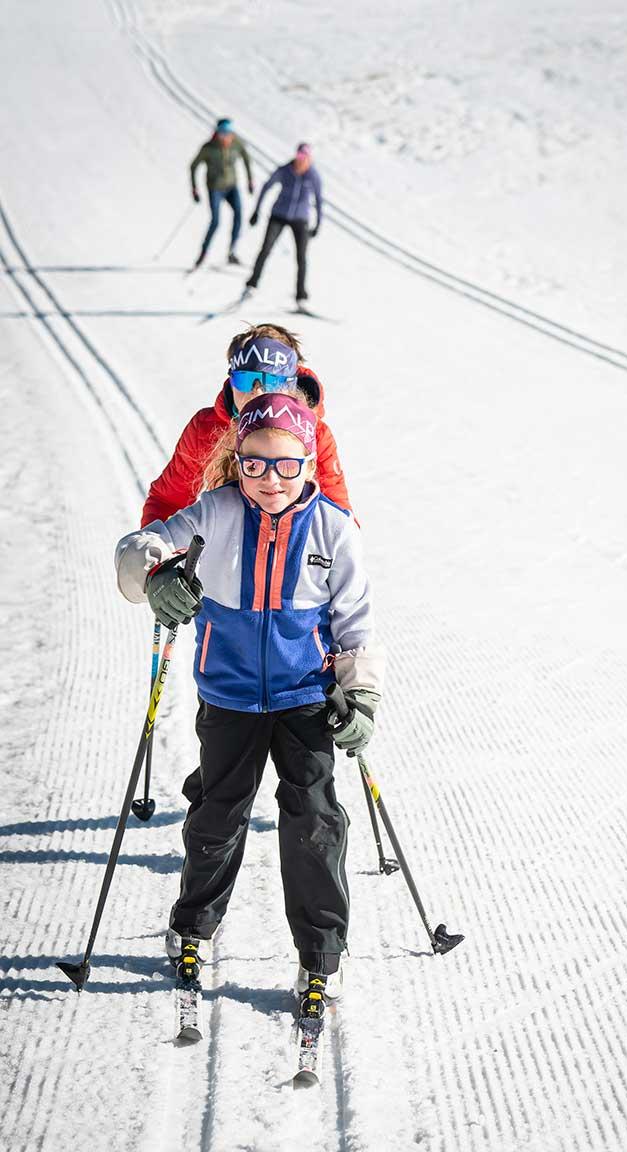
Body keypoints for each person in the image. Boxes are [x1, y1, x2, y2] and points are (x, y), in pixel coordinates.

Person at [115, 393, 383, 1011]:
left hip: (305, 699)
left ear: (309, 465)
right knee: (217, 815)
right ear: (239, 462)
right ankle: (192, 928)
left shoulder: (333, 530)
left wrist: (360, 694)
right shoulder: (213, 512)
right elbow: (139, 548)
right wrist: (154, 577)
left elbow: (356, 623)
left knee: (313, 823)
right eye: (256, 465)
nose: (270, 479)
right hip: (230, 695)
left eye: (286, 466)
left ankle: (321, 956)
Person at [141, 324, 352, 526]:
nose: (256, 392)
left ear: (291, 386)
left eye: (272, 382)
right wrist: (155, 552)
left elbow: (339, 514)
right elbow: (167, 499)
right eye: (245, 380)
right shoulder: (207, 427)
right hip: (225, 547)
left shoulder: (315, 433)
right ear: (231, 381)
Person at [246, 143, 322, 304]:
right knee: (266, 249)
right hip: (279, 215)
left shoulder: (313, 175)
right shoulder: (285, 170)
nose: (301, 160)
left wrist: (318, 224)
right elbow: (266, 187)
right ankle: (252, 283)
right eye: (299, 156)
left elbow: (319, 199)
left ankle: (301, 295)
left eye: (305, 158)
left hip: (300, 219)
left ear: (309, 159)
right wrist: (256, 211)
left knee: (301, 257)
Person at [190, 118, 254, 268]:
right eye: (222, 133)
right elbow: (193, 166)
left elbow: (246, 158)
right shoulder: (208, 148)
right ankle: (203, 254)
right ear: (217, 133)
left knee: (239, 215)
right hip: (215, 188)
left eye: (228, 133)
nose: (225, 137)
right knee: (216, 221)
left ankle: (231, 252)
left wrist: (250, 180)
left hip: (232, 186)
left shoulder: (237, 143)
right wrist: (194, 189)